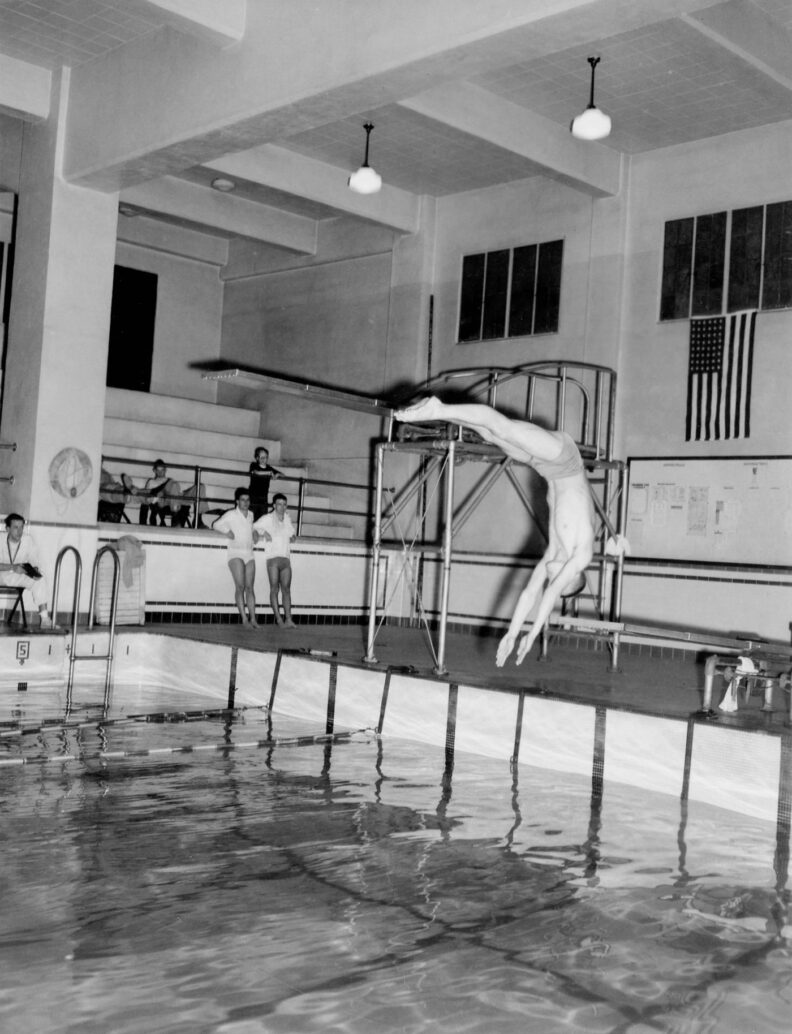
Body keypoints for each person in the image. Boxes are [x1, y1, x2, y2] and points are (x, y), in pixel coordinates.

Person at [394, 396, 594, 667]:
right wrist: (532, 634)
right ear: (571, 576)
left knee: (488, 433)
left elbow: (529, 594)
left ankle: (440, 412)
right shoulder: (581, 556)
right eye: (556, 580)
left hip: (545, 468)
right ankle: (437, 407)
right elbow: (548, 595)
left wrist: (512, 634)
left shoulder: (553, 554)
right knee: (503, 428)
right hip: (565, 458)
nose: (548, 578)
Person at [0, 513, 59, 629]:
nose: (20, 531)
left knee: (39, 579)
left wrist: (34, 569)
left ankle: (45, 619)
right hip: (2, 575)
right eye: (16, 527)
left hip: (18, 575)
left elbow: (34, 559)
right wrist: (12, 567)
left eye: (22, 527)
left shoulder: (28, 540)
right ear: (7, 529)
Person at [212, 487, 259, 627]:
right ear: (237, 501)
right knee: (240, 586)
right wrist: (227, 532)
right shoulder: (231, 514)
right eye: (242, 500)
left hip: (249, 553)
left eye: (247, 500)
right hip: (235, 553)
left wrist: (255, 533)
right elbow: (216, 524)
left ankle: (253, 619)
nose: (245, 502)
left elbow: (251, 529)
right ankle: (244, 619)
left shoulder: (251, 514)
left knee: (250, 588)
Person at [253, 492, 297, 627]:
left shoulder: (287, 519)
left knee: (287, 590)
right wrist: (263, 533)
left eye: (284, 505)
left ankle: (288, 619)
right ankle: (278, 619)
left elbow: (292, 535)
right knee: (274, 589)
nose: (282, 507)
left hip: (285, 559)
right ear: (274, 505)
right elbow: (254, 527)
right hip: (272, 559)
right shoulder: (267, 518)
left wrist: (293, 537)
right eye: (279, 504)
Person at [123, 460, 188, 526]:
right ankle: (132, 490)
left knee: (174, 485)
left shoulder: (170, 481)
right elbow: (147, 494)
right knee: (146, 494)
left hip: (168, 499)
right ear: (154, 471)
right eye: (158, 470)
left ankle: (133, 491)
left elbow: (175, 491)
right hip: (156, 501)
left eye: (162, 470)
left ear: (165, 470)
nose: (160, 472)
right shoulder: (151, 481)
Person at [248, 446, 282, 521]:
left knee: (262, 519)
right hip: (253, 496)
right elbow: (257, 472)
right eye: (261, 457)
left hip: (263, 497)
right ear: (257, 458)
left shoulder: (269, 467)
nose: (264, 460)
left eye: (265, 457)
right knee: (251, 518)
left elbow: (281, 474)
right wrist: (269, 472)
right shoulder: (254, 465)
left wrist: (277, 474)